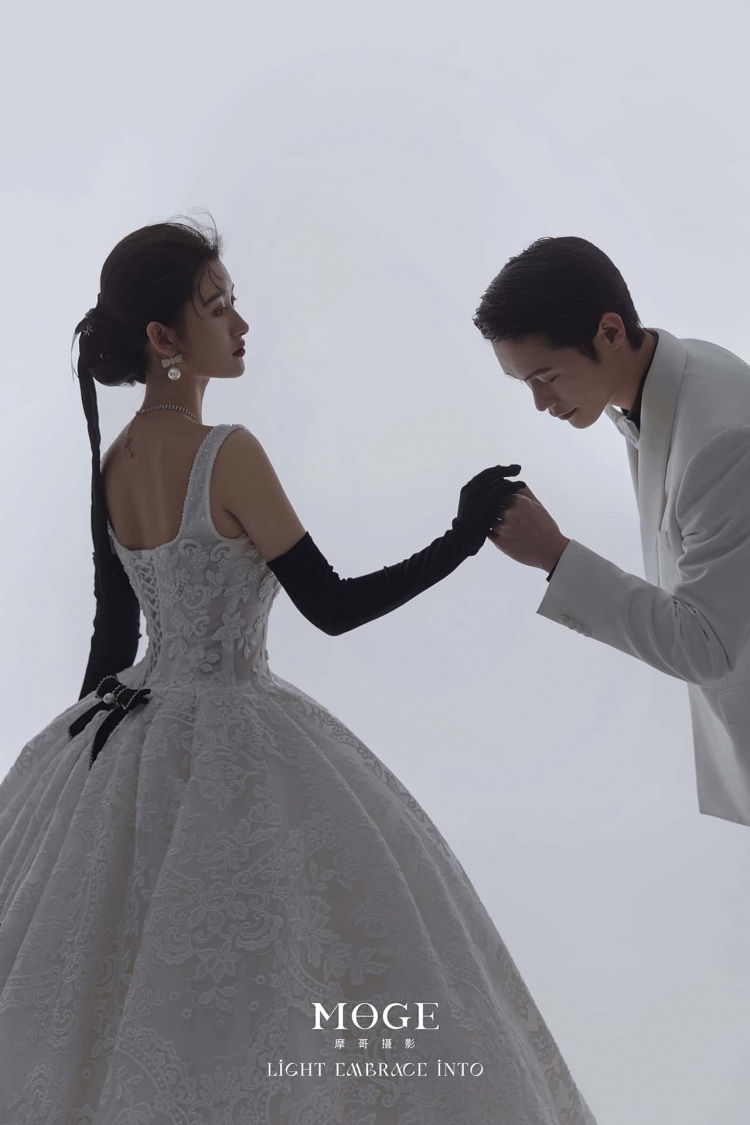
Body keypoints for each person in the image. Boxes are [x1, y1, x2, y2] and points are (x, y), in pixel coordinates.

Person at [0, 215, 596, 1124]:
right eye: (216, 307)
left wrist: (80, 781)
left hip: (131, 720)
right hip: (235, 718)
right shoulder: (227, 452)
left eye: (233, 301)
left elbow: (111, 638)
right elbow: (333, 605)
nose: (241, 324)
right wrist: (463, 534)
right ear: (163, 338)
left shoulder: (113, 462)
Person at [476, 234, 750, 829]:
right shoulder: (663, 383)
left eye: (546, 375)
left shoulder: (721, 438)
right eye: (524, 383)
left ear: (608, 331)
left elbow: (709, 646)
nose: (540, 402)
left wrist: (555, 556)